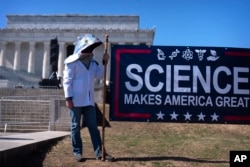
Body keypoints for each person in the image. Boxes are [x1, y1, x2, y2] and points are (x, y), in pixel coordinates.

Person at [63, 34, 115, 162]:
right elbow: (67, 81)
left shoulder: (93, 63)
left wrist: (104, 62)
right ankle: (77, 152)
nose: (91, 50)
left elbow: (100, 74)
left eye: (92, 48)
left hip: (88, 100)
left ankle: (100, 152)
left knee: (93, 127)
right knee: (75, 126)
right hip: (75, 100)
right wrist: (68, 98)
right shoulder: (72, 62)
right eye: (88, 48)